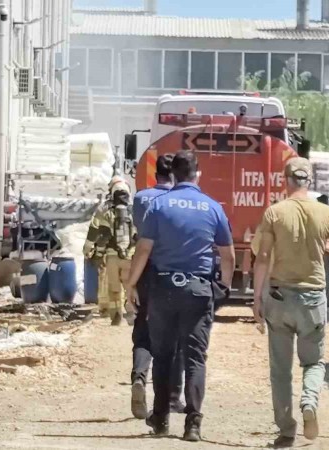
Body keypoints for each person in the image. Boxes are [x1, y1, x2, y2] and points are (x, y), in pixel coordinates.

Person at [126, 150, 235, 442]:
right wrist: (223, 288)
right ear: (197, 174)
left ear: (173, 174)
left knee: (163, 355)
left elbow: (144, 249)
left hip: (163, 288)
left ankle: (161, 418)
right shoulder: (213, 207)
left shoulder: (158, 206)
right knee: (195, 358)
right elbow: (228, 256)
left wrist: (131, 285)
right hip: (198, 289)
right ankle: (193, 424)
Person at [252, 157, 329, 449]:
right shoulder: (325, 212)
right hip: (313, 299)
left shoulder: (275, 212)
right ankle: (309, 401)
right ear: (310, 181)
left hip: (279, 297)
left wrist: (257, 298)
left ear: (285, 180)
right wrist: (325, 245)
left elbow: (263, 257)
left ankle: (286, 430)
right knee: (314, 362)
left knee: (280, 369)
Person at [129, 154, 185, 419]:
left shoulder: (141, 198)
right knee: (175, 334)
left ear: (155, 174)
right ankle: (172, 396)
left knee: (143, 330)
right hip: (172, 271)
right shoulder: (178, 201)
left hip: (144, 269)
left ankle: (139, 377)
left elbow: (139, 232)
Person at [83, 176, 136, 326]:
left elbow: (97, 231)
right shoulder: (135, 208)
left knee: (114, 288)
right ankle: (132, 313)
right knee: (130, 285)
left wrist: (89, 249)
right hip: (130, 256)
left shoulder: (104, 208)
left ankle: (116, 316)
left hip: (112, 256)